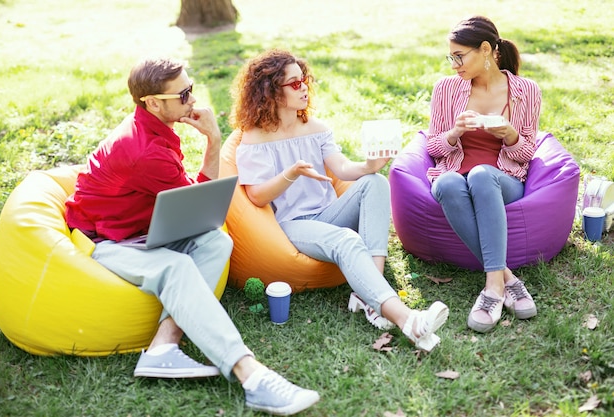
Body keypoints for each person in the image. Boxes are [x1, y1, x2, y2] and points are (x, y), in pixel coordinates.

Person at [65, 57, 319, 416]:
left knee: (217, 241)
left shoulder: (152, 131)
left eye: (191, 89)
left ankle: (163, 346)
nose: (192, 101)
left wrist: (212, 136)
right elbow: (201, 200)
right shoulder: (147, 152)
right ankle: (252, 376)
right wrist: (213, 140)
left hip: (137, 229)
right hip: (103, 240)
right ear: (152, 103)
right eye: (182, 95)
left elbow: (195, 208)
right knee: (177, 267)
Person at [229, 49, 449, 352]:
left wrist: (370, 166)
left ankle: (366, 298)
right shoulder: (254, 138)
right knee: (347, 240)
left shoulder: (315, 129)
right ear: (271, 93)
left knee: (375, 183)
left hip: (328, 212)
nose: (304, 87)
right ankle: (407, 319)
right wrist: (291, 173)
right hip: (292, 226)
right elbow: (255, 195)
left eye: (304, 79)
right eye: (294, 84)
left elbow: (343, 169)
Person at [426, 16, 541, 333]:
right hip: (455, 173)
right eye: (451, 57)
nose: (453, 65)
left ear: (486, 50)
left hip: (503, 179)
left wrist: (510, 135)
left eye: (459, 56)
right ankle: (507, 280)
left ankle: (492, 290)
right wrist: (454, 133)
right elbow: (434, 146)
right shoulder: (446, 89)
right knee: (448, 182)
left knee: (481, 175)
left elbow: (528, 152)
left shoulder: (525, 90)